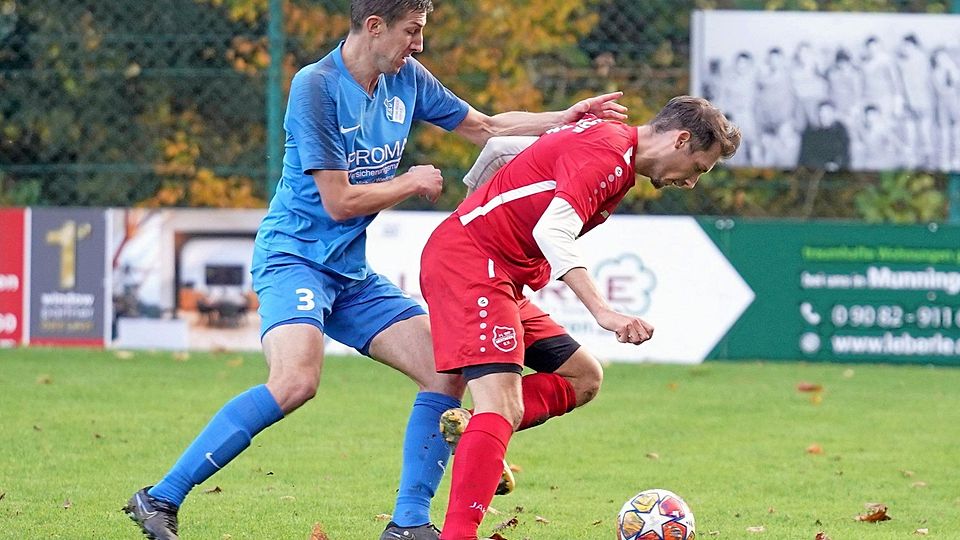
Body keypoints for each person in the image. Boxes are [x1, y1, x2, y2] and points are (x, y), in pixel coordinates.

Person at [122, 1, 627, 539]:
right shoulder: (315, 87)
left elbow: (485, 126)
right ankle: (159, 498)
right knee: (295, 382)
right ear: (374, 26)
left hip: (350, 274)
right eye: (412, 32)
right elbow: (338, 202)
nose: (419, 45)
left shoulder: (406, 78)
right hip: (293, 258)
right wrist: (408, 183)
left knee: (446, 370)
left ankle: (409, 524)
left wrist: (563, 119)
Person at [418, 96, 740, 540]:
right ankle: (459, 532)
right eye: (699, 168)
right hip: (473, 266)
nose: (691, 182)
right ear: (681, 140)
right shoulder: (607, 155)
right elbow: (552, 230)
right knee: (503, 404)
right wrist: (602, 311)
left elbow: (498, 151)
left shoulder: (612, 147)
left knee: (583, 377)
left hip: (497, 272)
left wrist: (474, 203)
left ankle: (478, 433)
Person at [798, 100, 851, 172]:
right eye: (822, 114)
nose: (824, 117)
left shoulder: (841, 130)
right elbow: (806, 157)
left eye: (827, 114)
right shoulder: (811, 132)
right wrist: (824, 166)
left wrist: (837, 165)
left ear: (833, 114)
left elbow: (845, 154)